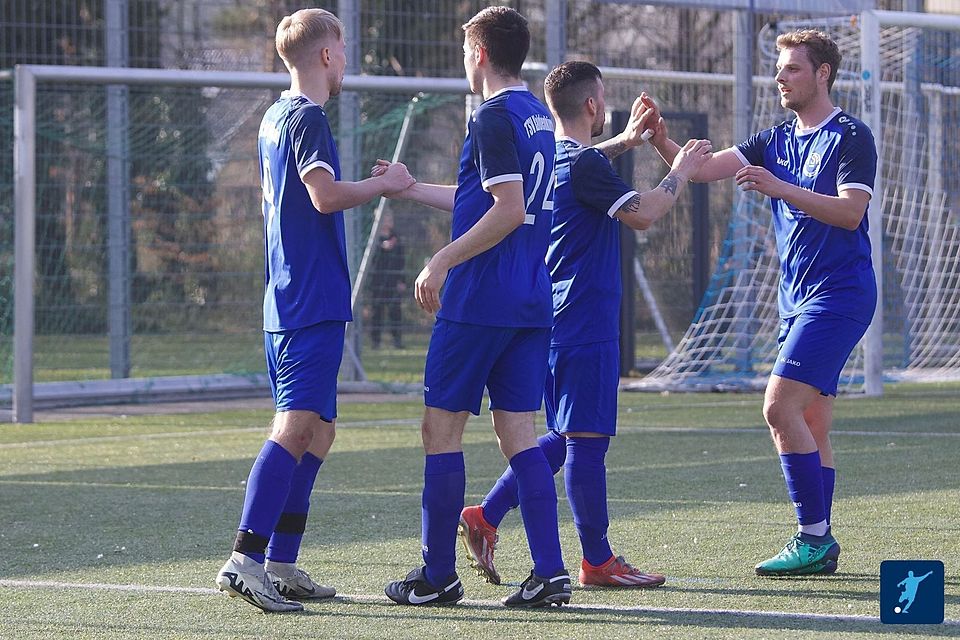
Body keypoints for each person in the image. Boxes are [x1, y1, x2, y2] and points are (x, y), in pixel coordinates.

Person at [457, 61, 711, 589]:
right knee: (587, 442)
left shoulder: (550, 157)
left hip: (549, 316)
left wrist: (625, 140)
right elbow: (645, 212)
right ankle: (597, 559)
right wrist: (681, 168)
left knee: (563, 433)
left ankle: (485, 515)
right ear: (593, 105)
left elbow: (583, 162)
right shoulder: (586, 165)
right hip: (587, 317)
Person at [648, 29, 878, 576]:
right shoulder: (775, 136)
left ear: (822, 73)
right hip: (795, 298)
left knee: (778, 408)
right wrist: (662, 141)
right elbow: (701, 169)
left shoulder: (851, 136)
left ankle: (813, 537)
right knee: (813, 421)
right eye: (779, 68)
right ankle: (820, 541)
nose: (780, 77)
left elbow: (850, 214)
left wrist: (781, 187)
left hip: (840, 293)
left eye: (793, 68)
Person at [214, 8, 414, 612]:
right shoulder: (307, 118)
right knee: (298, 426)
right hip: (307, 296)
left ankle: (281, 560)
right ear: (326, 55)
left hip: (292, 293)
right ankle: (244, 558)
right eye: (344, 48)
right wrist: (387, 184)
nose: (346, 59)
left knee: (319, 431)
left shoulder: (274, 116)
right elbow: (324, 197)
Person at [377, 6, 570, 608]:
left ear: (479, 54)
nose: (464, 61)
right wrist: (411, 188)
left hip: (481, 299)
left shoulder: (491, 115)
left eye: (466, 51)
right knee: (519, 435)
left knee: (441, 431)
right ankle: (550, 572)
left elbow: (507, 209)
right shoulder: (538, 114)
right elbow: (485, 201)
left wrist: (441, 262)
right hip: (529, 300)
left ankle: (437, 576)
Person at [369, 218, 406, 349]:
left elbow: (402, 261)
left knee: (395, 312)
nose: (387, 222)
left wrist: (402, 281)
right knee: (377, 311)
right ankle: (375, 341)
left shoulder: (397, 239)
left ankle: (397, 341)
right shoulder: (373, 238)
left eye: (389, 219)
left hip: (393, 281)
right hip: (377, 281)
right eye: (384, 218)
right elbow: (370, 260)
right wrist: (381, 247)